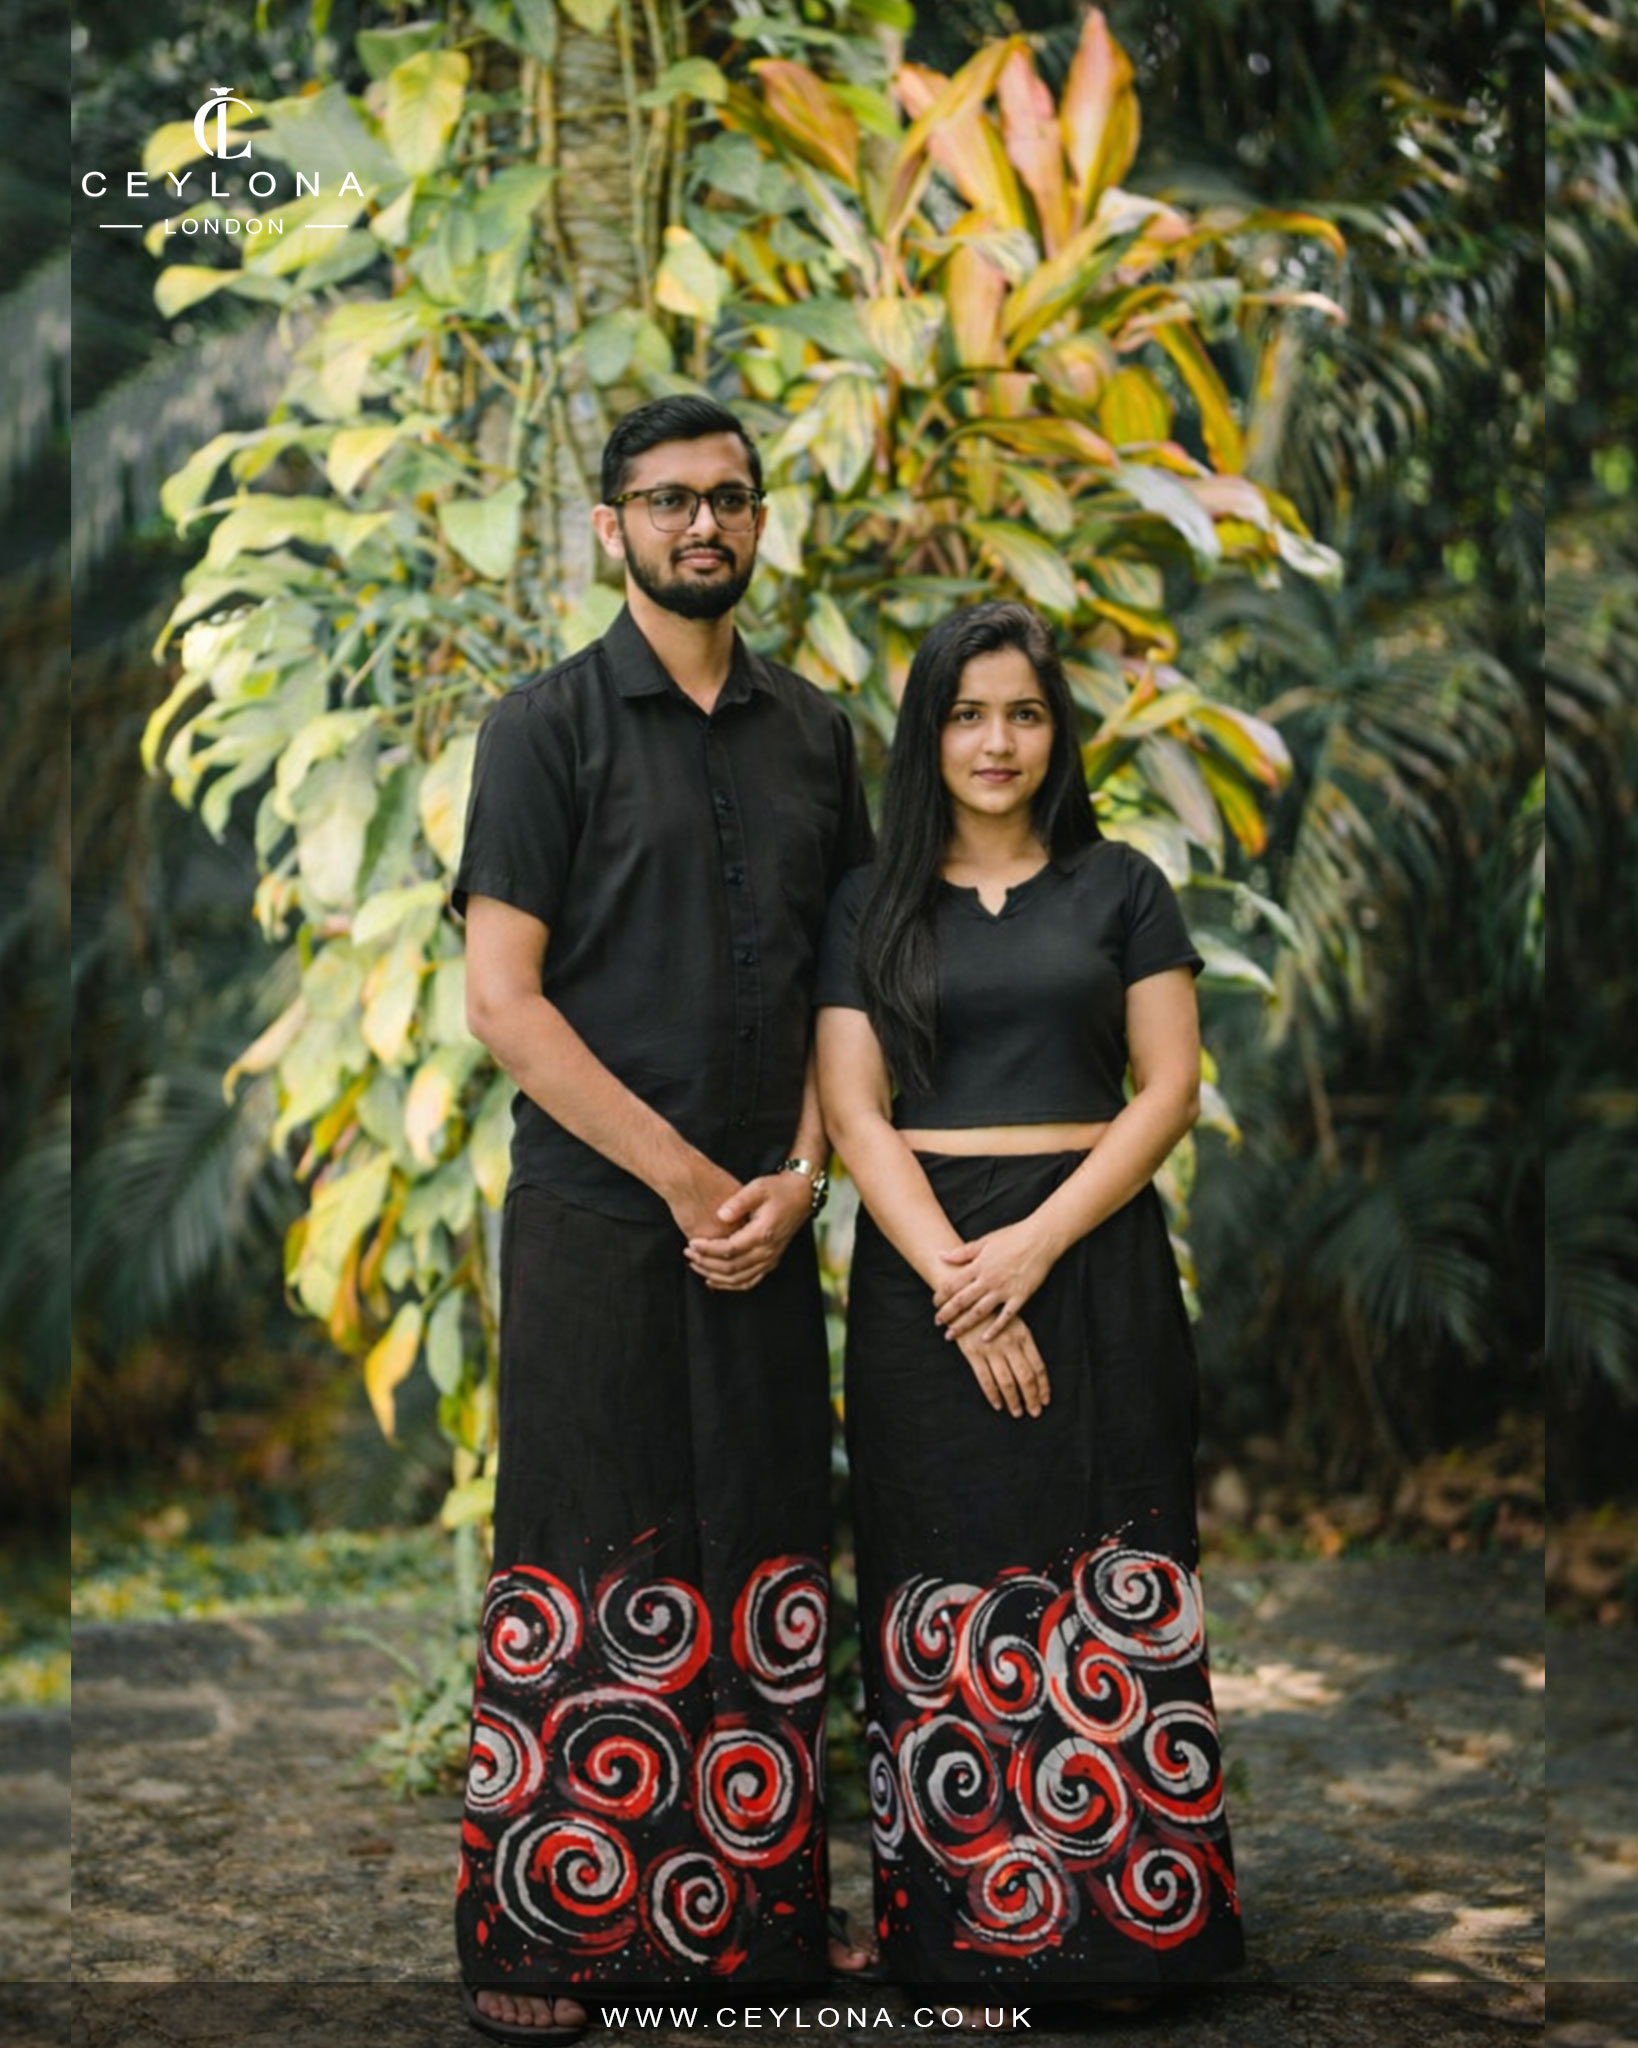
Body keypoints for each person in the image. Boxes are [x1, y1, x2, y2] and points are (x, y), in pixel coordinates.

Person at [451, 395, 876, 2042]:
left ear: (760, 522)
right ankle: (541, 1925)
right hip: (595, 1216)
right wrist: (691, 1180)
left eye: (730, 499)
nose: (703, 525)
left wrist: (796, 1177)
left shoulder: (816, 734)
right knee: (588, 1533)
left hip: (767, 1214)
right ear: (609, 526)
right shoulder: (540, 730)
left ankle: (762, 1907)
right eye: (669, 500)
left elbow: (845, 986)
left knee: (764, 1532)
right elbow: (505, 1001)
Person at [815, 602, 1244, 2019]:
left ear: (1056, 732)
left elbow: (1164, 1087)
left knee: (1104, 1573)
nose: (994, 741)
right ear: (926, 733)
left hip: (1094, 1263)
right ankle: (960, 1931)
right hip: (922, 1274)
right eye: (964, 713)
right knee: (936, 1583)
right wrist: (957, 1274)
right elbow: (853, 1109)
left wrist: (1036, 1252)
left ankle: (1128, 1926)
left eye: (1022, 713)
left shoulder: (1119, 885)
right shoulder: (867, 901)